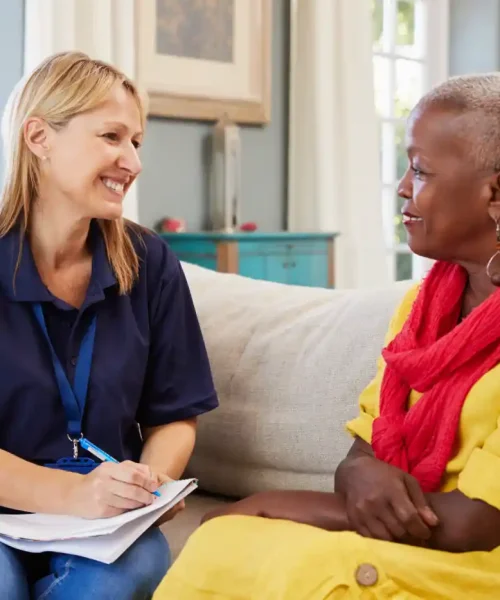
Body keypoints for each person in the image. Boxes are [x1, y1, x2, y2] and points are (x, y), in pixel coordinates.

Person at [153, 73, 500, 599]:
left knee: (296, 565)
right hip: (413, 539)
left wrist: (278, 503)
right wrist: (361, 477)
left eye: (420, 170)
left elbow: (476, 523)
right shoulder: (423, 306)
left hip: (474, 562)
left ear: (494, 193)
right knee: (224, 542)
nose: (403, 187)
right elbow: (363, 451)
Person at [0, 51, 218, 599]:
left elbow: (175, 415)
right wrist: (71, 495)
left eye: (136, 142)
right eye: (111, 136)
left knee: (127, 571)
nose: (133, 161)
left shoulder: (149, 262)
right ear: (38, 137)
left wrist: (148, 487)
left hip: (103, 522)